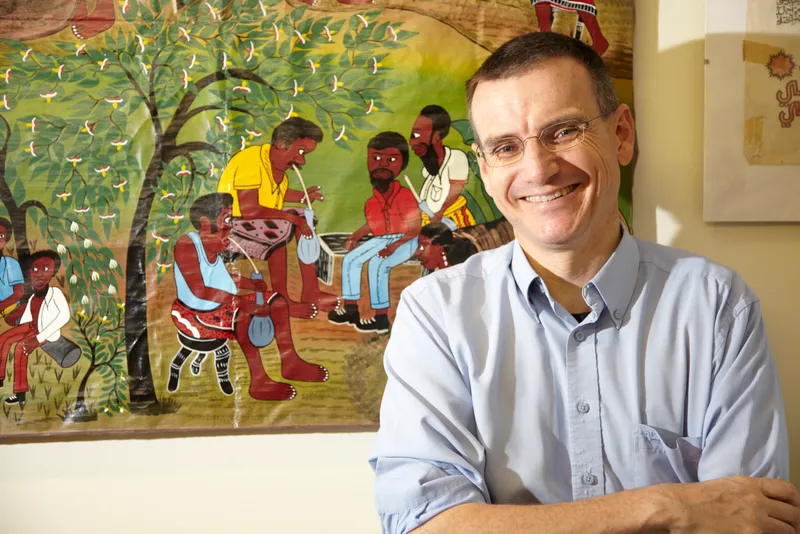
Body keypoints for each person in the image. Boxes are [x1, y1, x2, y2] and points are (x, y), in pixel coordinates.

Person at [369, 32, 797, 533]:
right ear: (484, 170)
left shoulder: (717, 306)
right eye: (507, 147)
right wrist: (667, 507)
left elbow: (748, 520)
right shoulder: (436, 313)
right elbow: (427, 526)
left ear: (621, 135)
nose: (539, 169)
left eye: (564, 131)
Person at [171, 193, 328, 402]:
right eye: (226, 220)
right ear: (204, 222)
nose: (231, 226)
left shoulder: (214, 247)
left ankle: (290, 363)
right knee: (243, 317)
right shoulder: (187, 244)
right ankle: (258, 382)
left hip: (221, 306)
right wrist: (246, 303)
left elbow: (224, 280)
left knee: (278, 302)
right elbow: (202, 291)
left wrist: (249, 284)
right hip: (195, 315)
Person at [217, 117, 340, 319]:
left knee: (303, 216)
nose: (302, 161)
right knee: (282, 227)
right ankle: (280, 301)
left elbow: (273, 197)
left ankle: (311, 290)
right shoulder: (251, 161)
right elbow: (250, 208)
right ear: (282, 145)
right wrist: (292, 220)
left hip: (250, 222)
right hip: (230, 226)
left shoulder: (279, 170)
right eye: (301, 152)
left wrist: (302, 197)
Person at [327, 132, 421, 334]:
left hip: (406, 239)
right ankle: (351, 308)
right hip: (383, 238)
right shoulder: (373, 200)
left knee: (378, 264)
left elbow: (414, 228)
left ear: (402, 164)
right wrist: (356, 236)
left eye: (391, 160)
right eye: (376, 158)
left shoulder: (405, 196)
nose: (382, 165)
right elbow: (373, 223)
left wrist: (394, 246)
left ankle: (380, 317)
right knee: (351, 259)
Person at [0, 250, 70, 407]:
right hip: (31, 326)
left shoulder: (55, 293)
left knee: (20, 348)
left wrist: (37, 339)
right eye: (35, 269)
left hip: (44, 331)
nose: (39, 274)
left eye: (46, 269)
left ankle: (20, 393)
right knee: (3, 339)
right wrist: (15, 320)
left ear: (53, 272)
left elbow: (64, 316)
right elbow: (29, 315)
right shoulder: (33, 296)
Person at [409, 105, 476, 229]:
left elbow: (455, 190)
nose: (412, 143)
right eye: (413, 136)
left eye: (417, 135)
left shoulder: (456, 157)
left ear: (436, 136)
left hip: (453, 222)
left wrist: (439, 214)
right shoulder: (429, 171)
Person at [0, 218, 25, 319]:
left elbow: (19, 293)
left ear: (6, 240)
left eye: (0, 236)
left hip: (11, 310)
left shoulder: (10, 263)